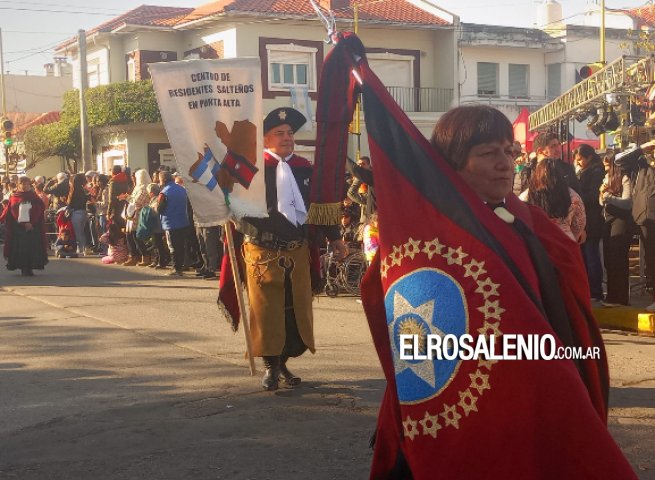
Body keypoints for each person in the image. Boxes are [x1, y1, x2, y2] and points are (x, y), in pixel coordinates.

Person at [362, 104, 633, 478]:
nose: (505, 163)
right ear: (452, 165)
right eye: (488, 153)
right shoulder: (427, 238)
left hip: (534, 391)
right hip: (468, 397)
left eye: (510, 151)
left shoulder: (527, 220)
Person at [234, 107, 347, 391]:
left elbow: (318, 207)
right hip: (262, 251)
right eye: (280, 134)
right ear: (266, 139)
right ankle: (270, 367)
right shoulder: (252, 169)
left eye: (290, 134)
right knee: (266, 310)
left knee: (293, 310)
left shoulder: (304, 169)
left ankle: (284, 361)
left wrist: (334, 237)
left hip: (297, 250)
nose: (287, 138)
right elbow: (235, 209)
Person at [523, 158, 586, 243]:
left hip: (539, 242)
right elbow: (579, 223)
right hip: (565, 241)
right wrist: (573, 236)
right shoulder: (572, 195)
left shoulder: (528, 195)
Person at [600, 154, 633, 307]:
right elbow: (601, 201)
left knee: (618, 258)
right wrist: (602, 195)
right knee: (609, 259)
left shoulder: (624, 178)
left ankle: (620, 297)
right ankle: (612, 295)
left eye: (607, 165)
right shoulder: (606, 178)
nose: (605, 168)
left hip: (621, 220)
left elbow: (627, 202)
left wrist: (609, 197)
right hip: (607, 220)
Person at [575, 144, 606, 302]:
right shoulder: (584, 171)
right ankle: (589, 289)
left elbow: (594, 196)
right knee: (586, 257)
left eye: (580, 159)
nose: (578, 162)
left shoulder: (596, 172)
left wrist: (576, 197)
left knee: (591, 255)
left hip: (592, 220)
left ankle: (596, 291)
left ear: (589, 157)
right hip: (584, 220)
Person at [1, 176, 48, 276]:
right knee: (21, 248)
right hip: (18, 228)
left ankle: (29, 267)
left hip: (33, 227)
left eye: (27, 184)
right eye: (23, 184)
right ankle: (23, 266)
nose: (25, 186)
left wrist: (31, 223)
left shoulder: (33, 196)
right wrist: (22, 223)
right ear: (18, 185)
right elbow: (11, 210)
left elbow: (39, 209)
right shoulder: (14, 197)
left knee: (31, 247)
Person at [156, 170, 190, 276]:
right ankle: (181, 266)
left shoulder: (164, 192)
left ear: (164, 180)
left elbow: (159, 208)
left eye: (160, 180)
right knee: (181, 245)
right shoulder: (182, 189)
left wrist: (155, 207)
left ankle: (176, 268)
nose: (159, 182)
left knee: (172, 246)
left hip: (170, 222)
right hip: (183, 220)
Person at [121, 169, 151, 267]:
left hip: (138, 215)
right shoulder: (138, 187)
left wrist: (127, 197)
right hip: (132, 215)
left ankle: (144, 256)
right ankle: (133, 256)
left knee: (136, 236)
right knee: (130, 235)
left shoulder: (144, 188)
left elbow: (137, 202)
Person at [67, 173, 91, 256]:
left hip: (76, 212)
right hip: (84, 212)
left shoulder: (74, 190)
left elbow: (70, 203)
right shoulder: (84, 189)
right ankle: (84, 248)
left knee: (78, 232)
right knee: (82, 231)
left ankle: (80, 249)